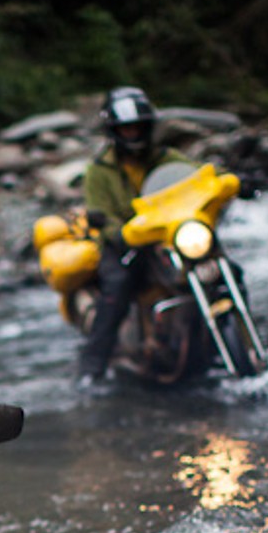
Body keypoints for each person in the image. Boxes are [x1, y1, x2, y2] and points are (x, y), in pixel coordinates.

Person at [76, 86, 191, 387]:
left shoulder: (167, 158)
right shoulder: (99, 171)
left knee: (221, 269)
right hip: (124, 244)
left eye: (138, 127)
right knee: (117, 287)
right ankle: (92, 369)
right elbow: (100, 213)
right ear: (115, 131)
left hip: (167, 237)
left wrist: (227, 182)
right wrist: (121, 233)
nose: (133, 134)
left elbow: (197, 177)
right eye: (126, 129)